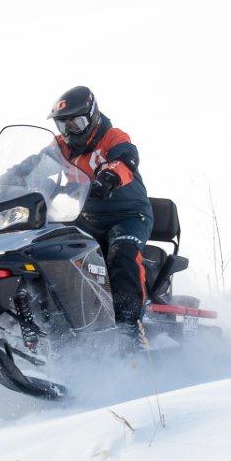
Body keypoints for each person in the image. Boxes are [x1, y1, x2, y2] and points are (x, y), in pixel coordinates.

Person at [48, 85, 154, 337]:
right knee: (51, 249)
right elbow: (34, 164)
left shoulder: (112, 136)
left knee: (122, 253)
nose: (70, 132)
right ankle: (58, 320)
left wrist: (109, 177)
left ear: (93, 116)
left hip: (128, 216)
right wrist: (8, 180)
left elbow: (125, 159)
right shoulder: (60, 146)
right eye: (63, 126)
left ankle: (130, 328)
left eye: (76, 123)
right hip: (87, 218)